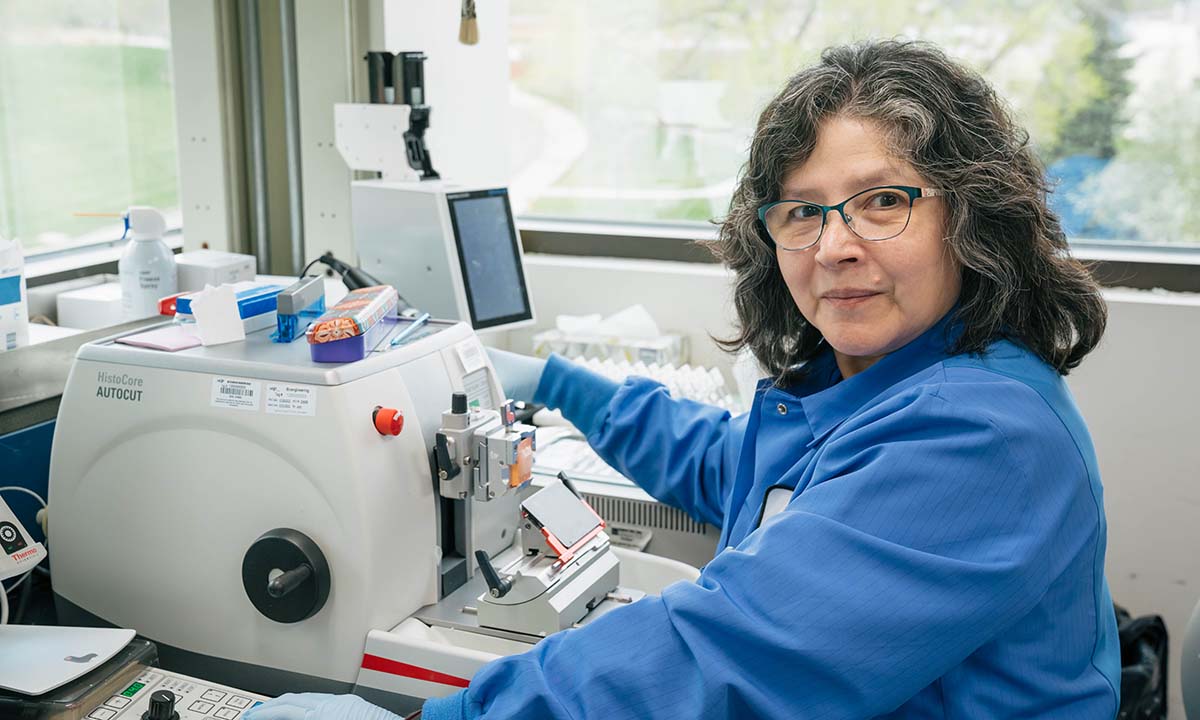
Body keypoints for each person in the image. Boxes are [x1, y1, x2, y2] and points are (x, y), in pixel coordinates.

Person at [246, 39, 1119, 720]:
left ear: (970, 214)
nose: (836, 244)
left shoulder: (984, 435)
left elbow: (726, 656)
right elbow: (734, 464)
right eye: (803, 211)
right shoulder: (875, 380)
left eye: (884, 200)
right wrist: (557, 382)